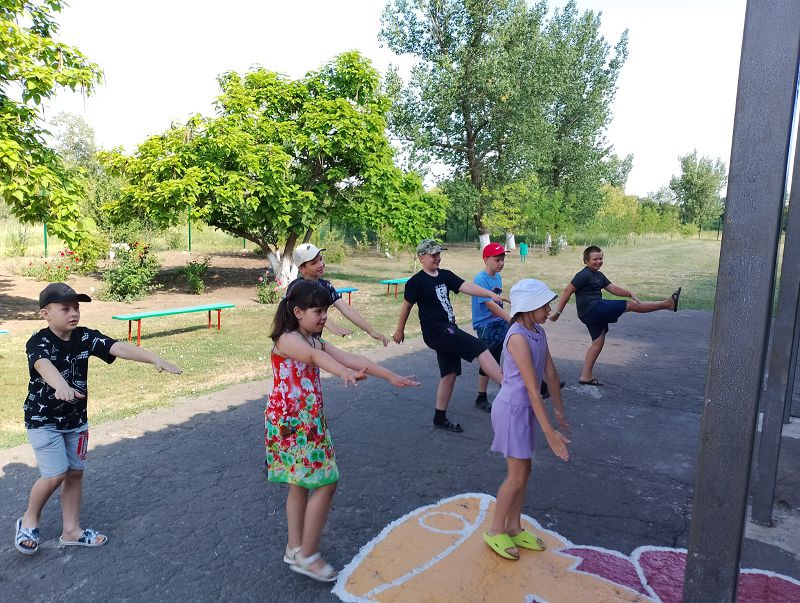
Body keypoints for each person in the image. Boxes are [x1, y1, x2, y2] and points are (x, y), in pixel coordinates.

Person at [266, 280, 418, 582]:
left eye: (326, 310)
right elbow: (316, 359)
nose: (324, 317)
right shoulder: (287, 340)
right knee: (327, 480)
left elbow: (351, 358)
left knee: (299, 483)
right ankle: (308, 555)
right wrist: (342, 372)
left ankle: (295, 549)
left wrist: (390, 376)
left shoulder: (312, 339)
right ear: (297, 312)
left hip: (302, 421)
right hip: (295, 425)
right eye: (318, 311)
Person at [15, 283, 181, 555]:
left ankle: (71, 531)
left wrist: (154, 358)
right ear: (45, 314)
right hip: (44, 420)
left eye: (76, 308)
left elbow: (118, 347)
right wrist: (60, 385)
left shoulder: (84, 337)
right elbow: (43, 365)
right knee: (56, 473)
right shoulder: (38, 341)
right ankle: (29, 519)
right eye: (65, 309)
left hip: (76, 421)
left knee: (75, 473)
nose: (74, 313)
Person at [483, 279, 570, 560]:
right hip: (512, 410)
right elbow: (533, 389)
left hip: (525, 410)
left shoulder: (538, 332)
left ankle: (513, 526)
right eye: (544, 305)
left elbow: (551, 374)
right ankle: (496, 530)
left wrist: (559, 411)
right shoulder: (518, 337)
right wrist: (550, 434)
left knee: (525, 471)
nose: (549, 310)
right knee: (516, 474)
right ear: (529, 307)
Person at [393, 239, 505, 433]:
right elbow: (406, 307)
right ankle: (509, 386)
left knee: (450, 373)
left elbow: (466, 286)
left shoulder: (445, 275)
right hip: (437, 331)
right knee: (480, 348)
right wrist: (399, 330)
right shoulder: (416, 282)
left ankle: (439, 417)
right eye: (433, 255)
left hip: (448, 328)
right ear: (421, 258)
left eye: (439, 254)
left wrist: (490, 294)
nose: (437, 258)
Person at [550, 245, 681, 386]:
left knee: (598, 343)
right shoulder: (584, 274)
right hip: (592, 309)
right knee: (630, 305)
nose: (599, 261)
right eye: (595, 259)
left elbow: (612, 288)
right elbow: (567, 291)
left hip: (591, 313)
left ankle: (585, 376)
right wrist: (558, 312)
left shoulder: (599, 275)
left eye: (601, 258)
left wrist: (629, 293)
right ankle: (667, 304)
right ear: (586, 261)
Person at [288, 243, 388, 345]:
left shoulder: (325, 286)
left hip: (313, 342)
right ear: (302, 269)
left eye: (321, 259)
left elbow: (346, 308)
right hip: (293, 343)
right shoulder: (295, 288)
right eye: (314, 263)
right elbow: (304, 313)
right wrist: (330, 324)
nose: (321, 264)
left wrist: (371, 332)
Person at [472, 243, 512, 413]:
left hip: (498, 321)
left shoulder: (497, 276)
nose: (501, 263)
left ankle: (514, 385)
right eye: (497, 260)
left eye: (503, 259)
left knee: (514, 347)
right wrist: (510, 319)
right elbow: (489, 304)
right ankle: (481, 396)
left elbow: (497, 300)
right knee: (490, 359)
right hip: (486, 325)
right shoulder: (480, 279)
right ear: (486, 259)